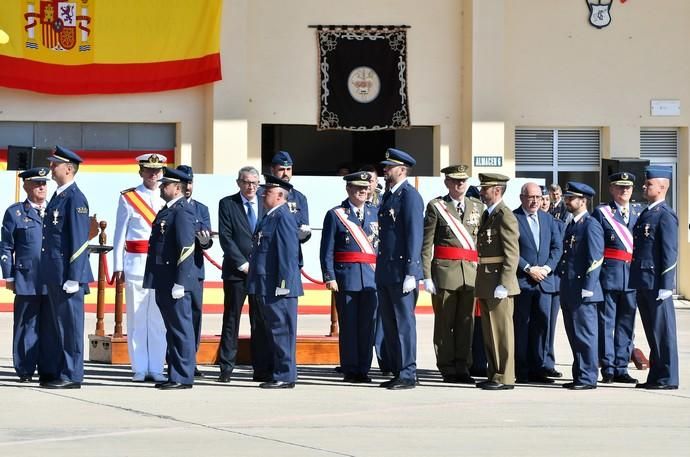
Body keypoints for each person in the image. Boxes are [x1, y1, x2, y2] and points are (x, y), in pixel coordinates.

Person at [421, 164, 482, 384]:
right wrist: (426, 275)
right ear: (447, 182)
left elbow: (481, 243)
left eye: (463, 180)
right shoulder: (437, 206)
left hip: (471, 273)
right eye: (455, 181)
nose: (460, 184)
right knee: (445, 323)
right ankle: (447, 367)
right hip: (445, 272)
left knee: (467, 323)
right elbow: (427, 244)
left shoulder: (477, 206)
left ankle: (463, 366)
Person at [39, 146, 94, 389]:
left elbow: (79, 241)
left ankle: (72, 374)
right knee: (58, 325)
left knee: (70, 327)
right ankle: (60, 370)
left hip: (68, 275)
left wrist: (74, 276)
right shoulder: (59, 196)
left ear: (69, 169)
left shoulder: (75, 198)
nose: (51, 167)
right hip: (55, 273)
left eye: (55, 164)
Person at [112, 153, 168, 383]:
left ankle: (156, 367)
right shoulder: (129, 198)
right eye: (148, 170)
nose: (153, 174)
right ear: (141, 171)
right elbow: (119, 234)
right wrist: (117, 265)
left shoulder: (169, 197)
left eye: (157, 170)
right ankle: (139, 367)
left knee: (158, 319)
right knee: (136, 318)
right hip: (136, 264)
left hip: (161, 266)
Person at [320, 172, 379, 383]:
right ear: (348, 189)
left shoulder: (376, 212)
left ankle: (364, 368)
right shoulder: (336, 214)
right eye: (357, 188)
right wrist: (330, 276)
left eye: (365, 188)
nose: (362, 192)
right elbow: (327, 249)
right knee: (349, 326)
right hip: (346, 278)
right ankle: (350, 368)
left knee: (367, 326)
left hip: (371, 279)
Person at [143, 167, 197, 390]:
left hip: (175, 282)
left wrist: (180, 282)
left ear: (177, 188)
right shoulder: (167, 211)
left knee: (180, 329)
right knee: (172, 329)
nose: (161, 187)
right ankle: (175, 372)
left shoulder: (182, 211)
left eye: (166, 184)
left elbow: (186, 248)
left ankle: (183, 376)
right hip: (163, 279)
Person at [247, 174, 303, 389]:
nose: (263, 193)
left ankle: (285, 375)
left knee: (282, 331)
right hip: (264, 284)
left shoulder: (283, 217)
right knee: (272, 331)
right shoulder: (269, 216)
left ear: (280, 196)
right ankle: (277, 371)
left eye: (268, 191)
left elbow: (288, 255)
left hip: (278, 287)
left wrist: (283, 285)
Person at [0, 167, 55, 383]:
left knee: (49, 326)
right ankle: (24, 368)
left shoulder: (55, 210)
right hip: (26, 278)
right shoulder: (15, 212)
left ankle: (48, 368)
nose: (41, 187)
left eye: (44, 183)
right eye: (36, 183)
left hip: (51, 278)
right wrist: (10, 276)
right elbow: (5, 247)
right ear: (26, 186)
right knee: (26, 325)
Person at [376, 148, 424, 390]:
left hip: (402, 271)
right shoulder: (388, 195)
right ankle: (397, 369)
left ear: (402, 170)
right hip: (386, 270)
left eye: (389, 167)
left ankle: (408, 372)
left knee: (404, 324)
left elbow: (415, 235)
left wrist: (412, 272)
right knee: (390, 324)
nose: (385, 170)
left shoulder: (409, 196)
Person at [217, 166, 269, 383]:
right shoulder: (228, 204)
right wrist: (242, 264)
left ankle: (261, 369)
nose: (251, 187)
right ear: (239, 183)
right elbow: (226, 238)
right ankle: (226, 368)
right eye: (247, 182)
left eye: (255, 183)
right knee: (231, 319)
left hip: (261, 272)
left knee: (260, 321)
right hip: (236, 272)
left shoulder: (265, 203)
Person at [631, 166, 679, 390]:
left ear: (662, 188)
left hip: (656, 283)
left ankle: (667, 377)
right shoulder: (647, 213)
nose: (644, 186)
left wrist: (666, 285)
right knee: (653, 332)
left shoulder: (665, 216)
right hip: (644, 281)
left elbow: (670, 252)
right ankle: (656, 376)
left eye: (649, 184)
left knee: (663, 332)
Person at [591, 172, 642, 385]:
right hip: (609, 275)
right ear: (611, 189)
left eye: (628, 187)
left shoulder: (640, 212)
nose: (624, 191)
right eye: (620, 187)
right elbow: (596, 246)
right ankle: (609, 367)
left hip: (632, 277)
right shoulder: (602, 213)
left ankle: (622, 367)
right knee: (606, 323)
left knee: (626, 324)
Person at [513, 182, 562, 384]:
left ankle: (539, 368)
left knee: (543, 326)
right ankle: (522, 370)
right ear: (522, 197)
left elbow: (557, 248)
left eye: (538, 197)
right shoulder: (513, 218)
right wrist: (528, 269)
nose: (535, 201)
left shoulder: (548, 219)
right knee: (522, 327)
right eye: (531, 197)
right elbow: (510, 250)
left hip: (545, 281)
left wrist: (546, 269)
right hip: (523, 281)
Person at [474, 173, 520, 390]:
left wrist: (504, 283)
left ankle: (505, 376)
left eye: (485, 189)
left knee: (501, 332)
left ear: (497, 190)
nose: (481, 193)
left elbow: (512, 254)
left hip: (498, 282)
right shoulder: (489, 214)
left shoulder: (505, 215)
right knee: (490, 333)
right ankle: (494, 373)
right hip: (486, 279)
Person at [557, 182, 604, 390]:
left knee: (585, 335)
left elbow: (596, 258)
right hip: (569, 288)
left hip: (583, 290)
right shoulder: (574, 224)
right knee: (574, 334)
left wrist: (589, 286)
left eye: (571, 198)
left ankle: (588, 377)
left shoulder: (590, 224)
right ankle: (580, 374)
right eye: (567, 197)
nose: (567, 201)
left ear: (583, 201)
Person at [176, 165, 213, 378]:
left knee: (195, 316)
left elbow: (207, 243)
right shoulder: (169, 206)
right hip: (175, 271)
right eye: (184, 183)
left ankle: (191, 359)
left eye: (190, 182)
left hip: (195, 270)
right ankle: (174, 357)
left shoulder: (201, 209)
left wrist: (205, 240)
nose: (188, 187)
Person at [359, 164, 390, 373]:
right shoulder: (354, 201)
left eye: (371, 180)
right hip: (360, 267)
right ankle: (358, 360)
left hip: (379, 264)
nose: (368, 185)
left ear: (377, 182)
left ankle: (384, 361)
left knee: (382, 318)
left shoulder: (385, 203)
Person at [539, 185, 564, 378]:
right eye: (542, 199)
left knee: (548, 324)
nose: (544, 202)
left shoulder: (556, 223)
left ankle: (547, 362)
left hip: (553, 280)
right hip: (531, 278)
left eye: (547, 199)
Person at [265, 150, 311, 243]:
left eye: (288, 169)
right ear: (272, 170)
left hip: (291, 249)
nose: (285, 173)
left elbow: (304, 229)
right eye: (281, 169)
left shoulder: (299, 198)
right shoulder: (263, 195)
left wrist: (304, 234)